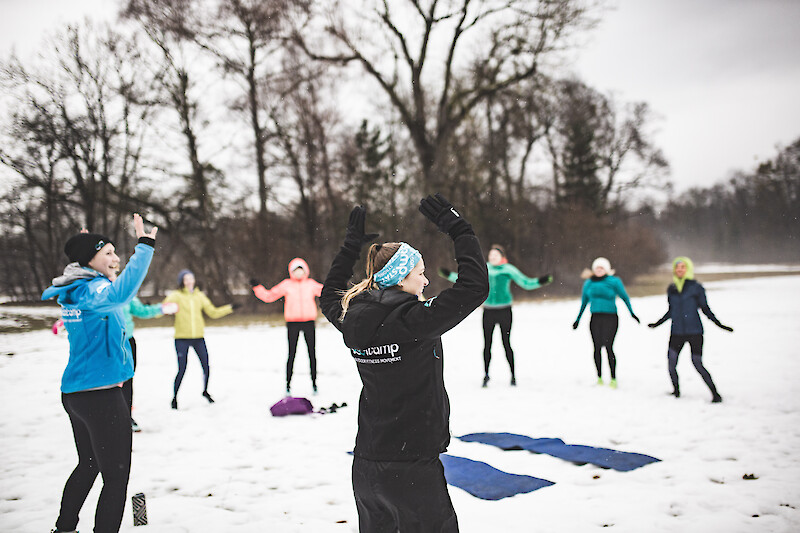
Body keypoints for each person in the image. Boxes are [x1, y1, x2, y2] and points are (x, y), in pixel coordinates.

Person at [320, 195, 489, 532]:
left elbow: (328, 295)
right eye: (420, 273)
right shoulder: (414, 322)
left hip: (367, 465)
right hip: (412, 469)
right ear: (400, 279)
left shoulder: (353, 317)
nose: (426, 281)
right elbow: (474, 287)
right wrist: (460, 229)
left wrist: (351, 246)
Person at [42, 213, 157, 533]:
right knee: (117, 477)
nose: (116, 257)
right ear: (89, 261)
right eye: (107, 252)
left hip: (79, 394)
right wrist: (144, 246)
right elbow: (119, 294)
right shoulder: (92, 290)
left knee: (90, 465)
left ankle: (64, 528)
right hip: (101, 396)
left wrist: (87, 244)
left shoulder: (79, 289)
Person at [439, 244, 551, 387]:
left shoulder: (509, 269)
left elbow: (526, 283)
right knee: (487, 344)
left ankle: (513, 375)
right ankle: (486, 375)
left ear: (502, 257)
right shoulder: (484, 268)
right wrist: (449, 275)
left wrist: (542, 281)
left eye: (495, 255)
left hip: (505, 311)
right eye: (490, 255)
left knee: (506, 343)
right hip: (488, 312)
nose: (492, 257)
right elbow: (467, 279)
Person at [648, 256, 732, 403]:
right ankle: (676, 391)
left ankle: (715, 394)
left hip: (695, 332)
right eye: (677, 267)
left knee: (697, 363)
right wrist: (657, 323)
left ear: (688, 269)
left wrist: (719, 324)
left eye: (682, 267)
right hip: (677, 332)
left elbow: (705, 309)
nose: (679, 270)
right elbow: (671, 311)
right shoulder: (672, 289)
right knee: (671, 363)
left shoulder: (696, 288)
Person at [250, 258, 323, 394]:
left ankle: (314, 384)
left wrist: (341, 283)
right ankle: (288, 385)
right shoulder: (286, 284)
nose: (299, 273)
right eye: (296, 271)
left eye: (301, 270)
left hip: (309, 323)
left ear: (305, 271)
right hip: (293, 324)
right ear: (291, 272)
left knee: (312, 354)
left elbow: (327, 292)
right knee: (292, 354)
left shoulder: (311, 284)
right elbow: (269, 296)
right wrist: (257, 287)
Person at [163, 269, 234, 409]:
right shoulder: (176, 296)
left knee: (206, 366)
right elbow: (164, 308)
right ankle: (175, 398)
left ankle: (205, 391)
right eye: (186, 279)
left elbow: (213, 312)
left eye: (191, 278)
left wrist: (230, 308)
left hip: (198, 338)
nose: (189, 281)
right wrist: (154, 309)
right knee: (182, 369)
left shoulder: (199, 296)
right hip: (182, 338)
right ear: (182, 282)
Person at [572, 257, 640, 388]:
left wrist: (632, 313)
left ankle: (613, 378)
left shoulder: (614, 281)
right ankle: (599, 377)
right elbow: (584, 302)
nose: (599, 270)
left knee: (609, 347)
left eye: (602, 267)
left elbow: (625, 297)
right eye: (597, 267)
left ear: (607, 269)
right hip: (595, 318)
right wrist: (578, 319)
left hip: (610, 318)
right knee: (597, 347)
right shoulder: (588, 283)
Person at [121, 296, 178, 431]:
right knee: (109, 381)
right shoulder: (97, 289)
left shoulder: (124, 291)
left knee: (128, 380)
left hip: (128, 342)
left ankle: (126, 417)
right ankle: (110, 416)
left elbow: (141, 310)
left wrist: (161, 309)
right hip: (107, 342)